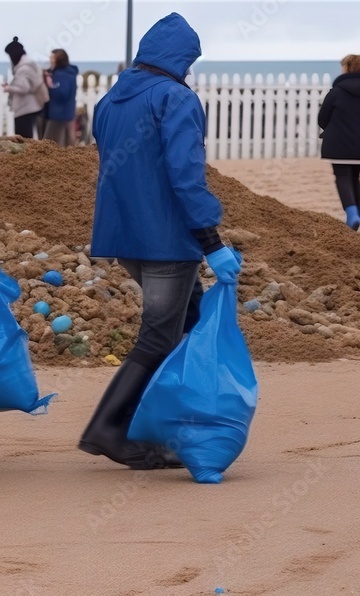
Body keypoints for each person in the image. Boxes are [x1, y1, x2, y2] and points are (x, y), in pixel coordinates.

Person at [80, 13, 241, 470]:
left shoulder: (110, 100)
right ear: (181, 60)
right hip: (167, 238)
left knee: (188, 319)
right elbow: (185, 176)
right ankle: (108, 429)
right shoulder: (176, 98)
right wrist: (212, 242)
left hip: (123, 234)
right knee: (158, 336)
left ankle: (165, 423)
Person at [318, 54, 360, 230]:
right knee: (355, 178)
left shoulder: (336, 92)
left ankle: (351, 213)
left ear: (347, 68)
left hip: (339, 145)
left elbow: (322, 119)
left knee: (342, 176)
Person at [2, 37, 46, 139]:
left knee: (23, 139)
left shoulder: (24, 68)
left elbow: (24, 88)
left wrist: (9, 88)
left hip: (25, 108)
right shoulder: (28, 65)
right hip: (29, 107)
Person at [41, 49, 78, 147]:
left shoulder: (61, 75)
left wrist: (50, 85)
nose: (50, 60)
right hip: (67, 113)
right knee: (68, 143)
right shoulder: (69, 73)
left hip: (59, 115)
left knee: (53, 146)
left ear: (58, 60)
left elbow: (62, 93)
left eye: (52, 58)